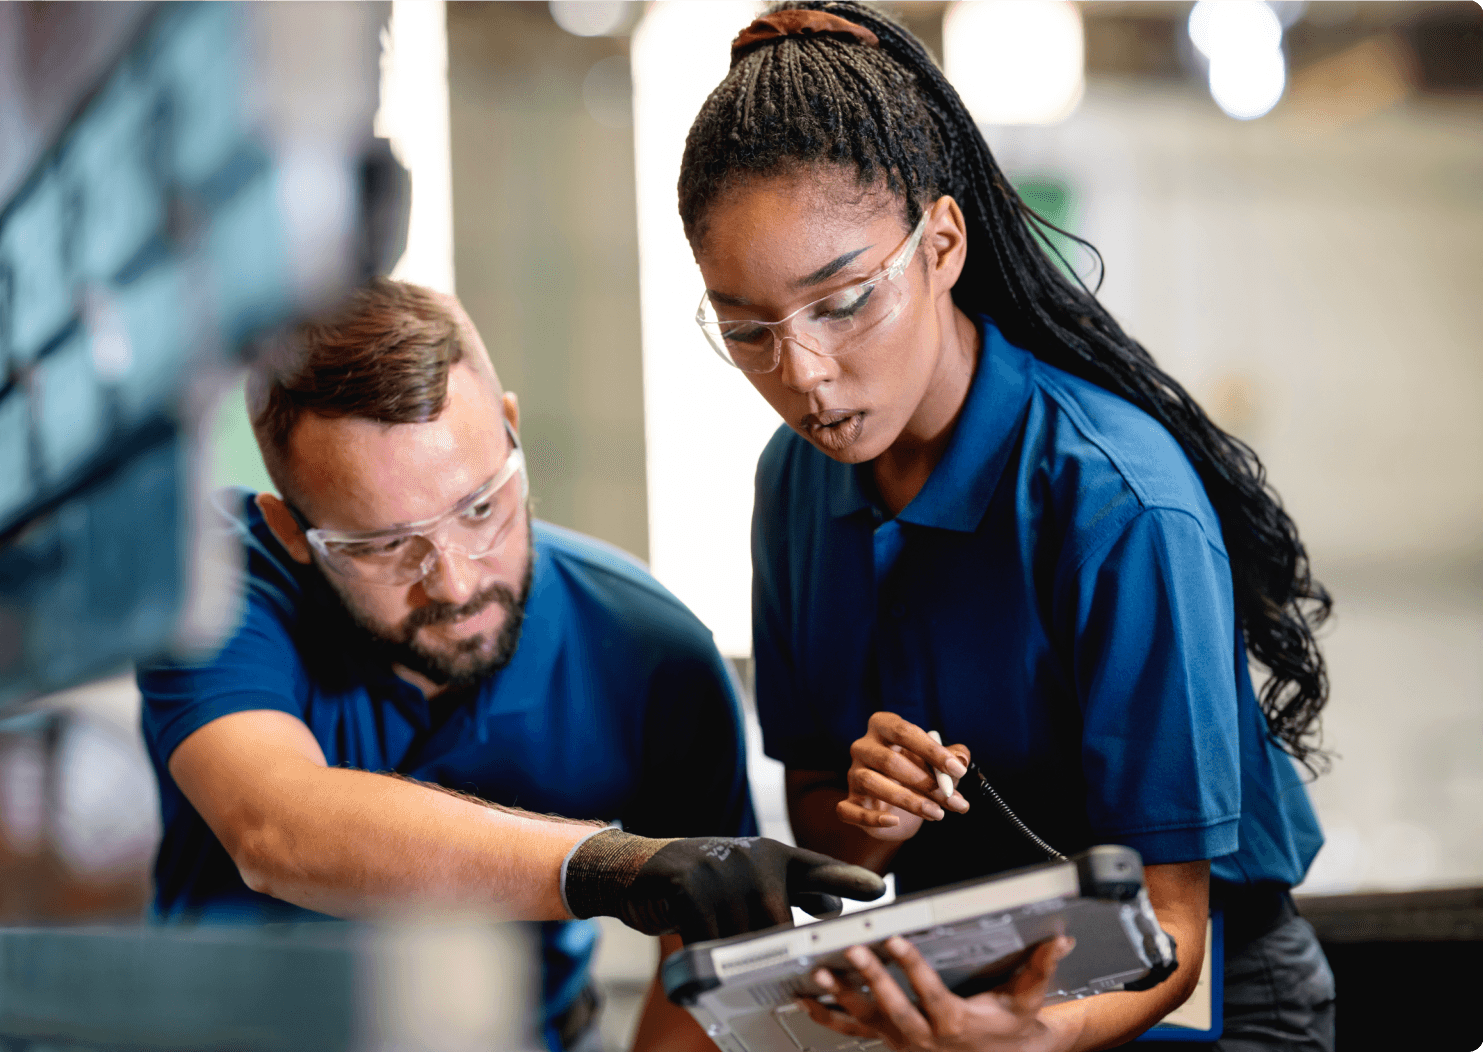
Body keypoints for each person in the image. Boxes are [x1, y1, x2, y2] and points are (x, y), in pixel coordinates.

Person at [676, 4, 1336, 1050]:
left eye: (841, 300)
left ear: (940, 243)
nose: (800, 375)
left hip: (1189, 992)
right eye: (747, 330)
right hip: (960, 980)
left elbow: (1171, 932)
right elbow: (816, 811)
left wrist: (1029, 1038)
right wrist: (867, 817)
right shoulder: (793, 483)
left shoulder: (1115, 502)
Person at [136, 279, 884, 1052]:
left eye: (480, 508)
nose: (456, 583)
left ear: (512, 431)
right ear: (291, 530)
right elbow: (276, 826)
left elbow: (708, 974)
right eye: (387, 545)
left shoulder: (651, 656)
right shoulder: (216, 586)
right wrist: (609, 866)